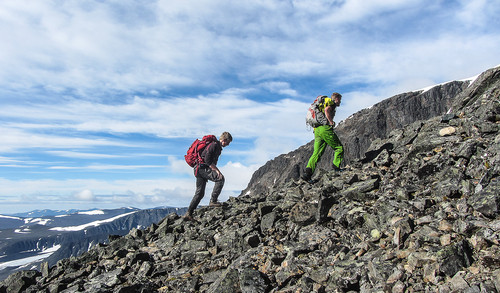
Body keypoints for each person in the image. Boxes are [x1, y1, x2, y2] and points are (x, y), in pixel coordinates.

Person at [184, 132, 233, 221]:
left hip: (198, 169)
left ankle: (189, 213)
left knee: (199, 193)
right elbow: (207, 160)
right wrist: (217, 170)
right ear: (224, 140)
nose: (228, 145)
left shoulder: (214, 145)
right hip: (202, 168)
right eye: (228, 142)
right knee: (220, 179)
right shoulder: (214, 145)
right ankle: (213, 201)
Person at [302, 92, 344, 182]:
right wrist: (330, 122)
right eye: (339, 100)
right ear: (336, 99)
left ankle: (307, 174)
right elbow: (327, 110)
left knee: (316, 153)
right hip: (324, 128)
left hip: (317, 130)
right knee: (339, 148)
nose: (340, 102)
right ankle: (336, 168)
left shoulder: (320, 103)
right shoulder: (331, 103)